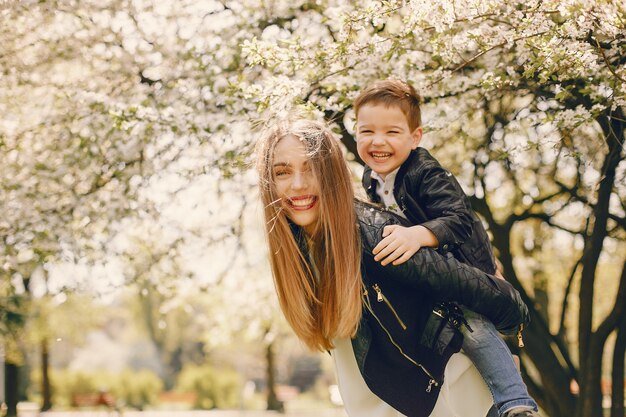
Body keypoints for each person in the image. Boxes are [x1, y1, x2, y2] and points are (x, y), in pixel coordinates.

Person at [256, 118, 530, 417]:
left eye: (311, 168)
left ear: (331, 173)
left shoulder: (375, 235)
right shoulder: (301, 251)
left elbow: (459, 281)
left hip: (453, 399)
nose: (298, 184)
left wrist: (512, 311)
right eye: (283, 172)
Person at [353, 79, 540, 417]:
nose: (378, 142)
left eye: (392, 133)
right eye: (367, 131)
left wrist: (419, 235)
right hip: (432, 274)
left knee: (473, 327)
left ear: (415, 137)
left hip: (465, 268)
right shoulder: (370, 177)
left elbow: (459, 219)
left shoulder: (425, 172)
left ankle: (516, 403)